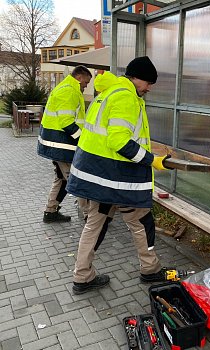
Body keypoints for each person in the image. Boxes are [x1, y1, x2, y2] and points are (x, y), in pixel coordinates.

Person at [66, 56, 172, 295]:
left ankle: (82, 277)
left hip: (97, 175)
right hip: (115, 177)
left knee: (95, 224)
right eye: (147, 82)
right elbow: (119, 140)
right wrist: (152, 160)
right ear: (135, 78)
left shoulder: (109, 93)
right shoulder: (126, 97)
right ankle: (150, 269)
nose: (149, 88)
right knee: (140, 221)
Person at [37, 65, 92, 223]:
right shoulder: (69, 90)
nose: (86, 85)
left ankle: (50, 211)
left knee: (61, 179)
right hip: (62, 146)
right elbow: (66, 122)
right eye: (86, 82)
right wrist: (83, 141)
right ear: (79, 77)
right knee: (76, 179)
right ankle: (89, 216)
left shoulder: (68, 88)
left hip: (58, 145)